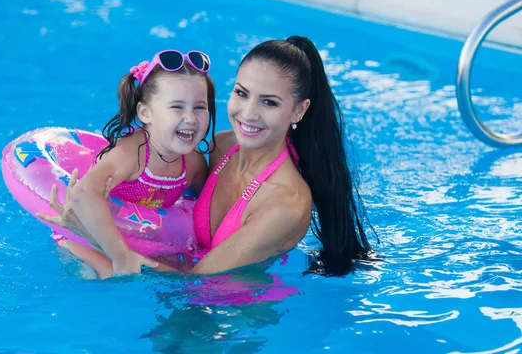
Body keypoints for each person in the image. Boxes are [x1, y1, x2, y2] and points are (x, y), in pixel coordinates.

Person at [41, 36, 375, 277]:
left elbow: (197, 283)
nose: (248, 113)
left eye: (269, 102)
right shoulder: (220, 148)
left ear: (298, 110)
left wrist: (94, 237)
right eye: (241, 93)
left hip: (231, 315)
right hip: (174, 277)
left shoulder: (285, 205)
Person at [38, 50, 217, 278]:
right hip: (86, 235)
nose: (191, 118)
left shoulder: (193, 162)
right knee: (107, 277)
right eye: (177, 107)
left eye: (200, 107)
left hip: (148, 240)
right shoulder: (132, 152)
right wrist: (121, 255)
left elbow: (204, 208)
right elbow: (83, 193)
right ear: (145, 113)